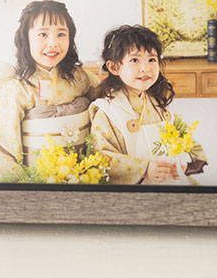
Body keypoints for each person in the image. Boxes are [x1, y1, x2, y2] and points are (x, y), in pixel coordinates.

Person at [0, 0, 100, 176]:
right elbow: (2, 147)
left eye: (61, 34)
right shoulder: (15, 90)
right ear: (26, 38)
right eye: (43, 34)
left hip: (82, 174)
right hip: (37, 177)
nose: (53, 43)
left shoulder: (81, 78)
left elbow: (104, 111)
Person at [89, 25, 208, 185]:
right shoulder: (107, 111)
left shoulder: (158, 103)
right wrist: (144, 169)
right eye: (135, 60)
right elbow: (102, 157)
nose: (145, 68)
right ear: (114, 67)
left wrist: (183, 163)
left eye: (152, 59)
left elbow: (185, 142)